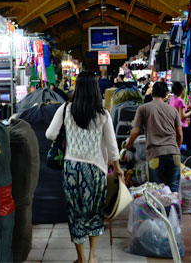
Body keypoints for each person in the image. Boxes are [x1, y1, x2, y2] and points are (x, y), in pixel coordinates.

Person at [46, 71, 123, 263]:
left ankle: (79, 257)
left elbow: (50, 134)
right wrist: (118, 167)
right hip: (95, 170)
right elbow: (113, 147)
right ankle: (92, 255)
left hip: (71, 169)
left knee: (76, 213)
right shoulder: (103, 114)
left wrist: (67, 135)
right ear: (95, 90)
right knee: (95, 212)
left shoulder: (65, 109)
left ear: (77, 88)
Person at [125, 81, 182, 192]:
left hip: (155, 154)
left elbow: (136, 131)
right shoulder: (173, 110)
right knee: (174, 192)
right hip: (174, 154)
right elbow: (179, 134)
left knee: (157, 192)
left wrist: (129, 145)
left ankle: (161, 210)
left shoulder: (143, 109)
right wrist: (176, 149)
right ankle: (174, 209)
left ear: (152, 94)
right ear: (166, 95)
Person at [169, 81, 191, 146]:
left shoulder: (172, 98)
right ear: (182, 91)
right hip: (182, 127)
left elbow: (177, 110)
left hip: (174, 125)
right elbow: (182, 117)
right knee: (185, 146)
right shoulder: (180, 101)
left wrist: (187, 107)